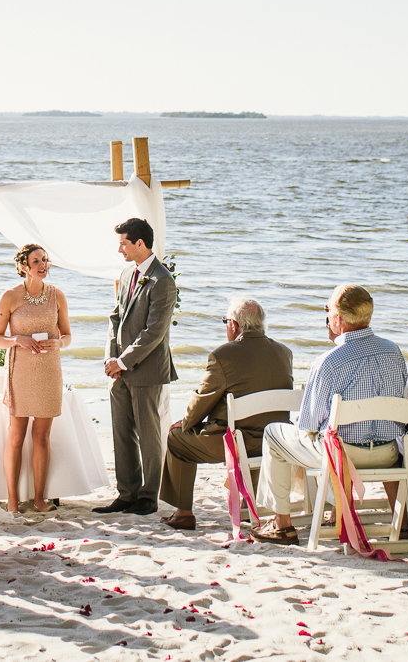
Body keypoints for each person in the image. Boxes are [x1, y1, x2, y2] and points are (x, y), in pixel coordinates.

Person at [252, 284, 407, 545]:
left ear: (338, 319)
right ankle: (342, 513)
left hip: (343, 457)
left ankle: (282, 525)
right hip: (387, 453)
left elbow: (308, 425)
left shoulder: (329, 361)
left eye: (328, 311)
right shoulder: (394, 351)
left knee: (274, 434)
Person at [160, 297, 294, 530]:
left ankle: (183, 513)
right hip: (274, 442)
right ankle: (245, 504)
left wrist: (187, 423)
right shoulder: (284, 352)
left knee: (177, 440)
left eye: (226, 322)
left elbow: (202, 399)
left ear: (234, 325)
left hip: (234, 443)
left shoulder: (223, 355)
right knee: (254, 424)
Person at [97, 217, 177, 516]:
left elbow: (154, 332)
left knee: (148, 433)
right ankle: (126, 493)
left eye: (123, 243)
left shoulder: (163, 280)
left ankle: (148, 496)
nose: (120, 249)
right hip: (118, 369)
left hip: (146, 369)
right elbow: (114, 317)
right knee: (121, 432)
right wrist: (110, 358)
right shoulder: (128, 272)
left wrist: (124, 361)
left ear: (139, 243)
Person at [0, 243, 72, 515]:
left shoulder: (57, 295)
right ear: (23, 266)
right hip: (20, 370)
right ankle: (12, 502)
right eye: (36, 261)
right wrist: (18, 340)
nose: (43, 264)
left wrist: (58, 344)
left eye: (45, 259)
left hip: (49, 369)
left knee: (42, 437)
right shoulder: (9, 297)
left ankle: (39, 499)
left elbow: (67, 335)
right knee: (16, 437)